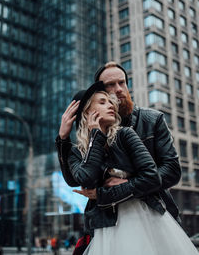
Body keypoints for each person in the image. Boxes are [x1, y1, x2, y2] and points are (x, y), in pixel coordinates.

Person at [63, 81, 198, 255]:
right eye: (102, 102)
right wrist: (92, 135)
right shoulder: (78, 151)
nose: (111, 105)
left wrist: (103, 194)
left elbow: (152, 177)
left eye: (110, 102)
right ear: (87, 112)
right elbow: (86, 178)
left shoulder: (125, 134)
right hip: (106, 227)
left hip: (142, 217)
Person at [56, 61, 181, 222]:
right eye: (110, 85)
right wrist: (63, 140)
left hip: (155, 213)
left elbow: (172, 171)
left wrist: (124, 186)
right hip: (108, 220)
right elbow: (75, 180)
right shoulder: (93, 135)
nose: (119, 89)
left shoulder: (152, 119)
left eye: (122, 82)